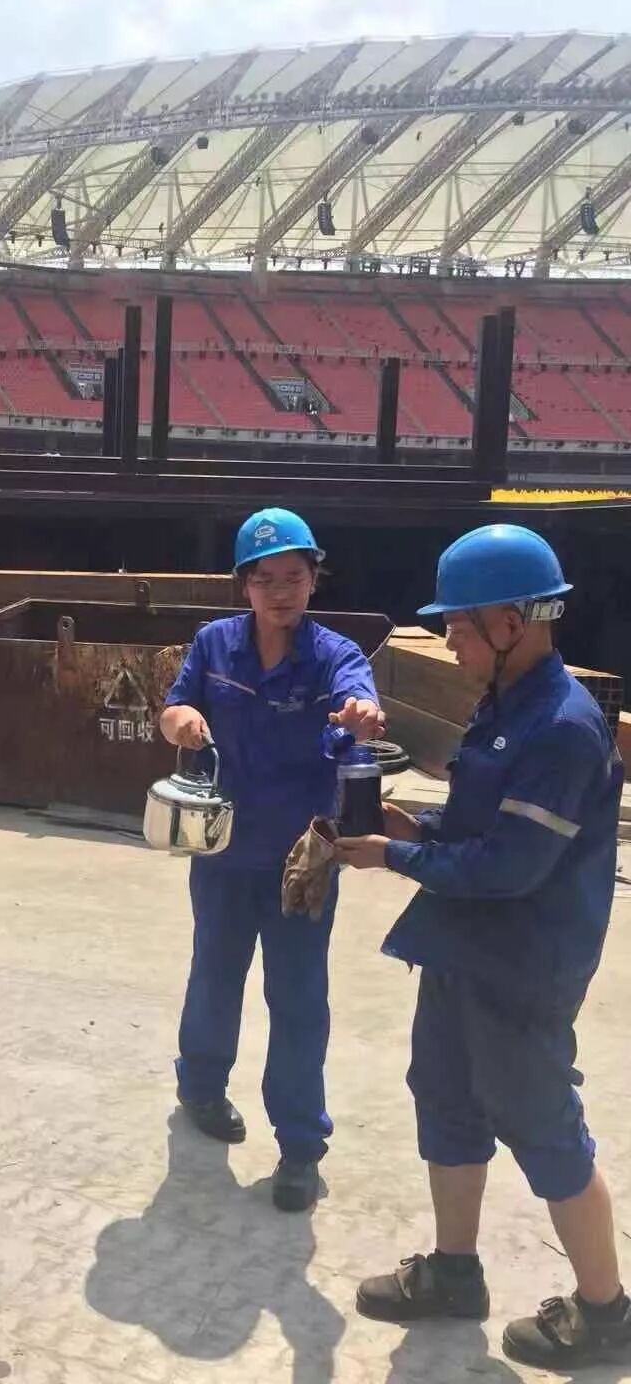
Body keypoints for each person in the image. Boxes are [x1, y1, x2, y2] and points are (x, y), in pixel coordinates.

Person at [335, 524, 629, 1368]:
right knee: (446, 1100)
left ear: (513, 622)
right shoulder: (505, 705)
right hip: (462, 950)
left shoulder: (563, 727)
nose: (450, 641)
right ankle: (455, 1271)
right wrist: (413, 827)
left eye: (459, 625)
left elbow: (509, 868)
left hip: (522, 968)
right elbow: (478, 832)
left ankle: (607, 1312)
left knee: (543, 1127)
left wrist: (393, 857)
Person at [159, 508, 384, 1212]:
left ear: (314, 580)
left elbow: (362, 704)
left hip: (301, 860)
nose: (280, 592)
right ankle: (201, 1089)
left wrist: (361, 718)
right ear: (244, 586)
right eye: (265, 580)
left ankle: (300, 1146)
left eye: (294, 577)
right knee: (214, 975)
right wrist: (182, 721)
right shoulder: (214, 645)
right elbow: (173, 708)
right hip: (223, 851)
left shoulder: (335, 655)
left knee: (298, 999)